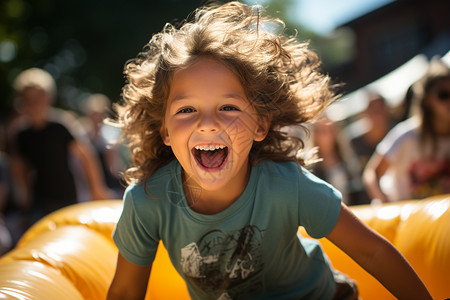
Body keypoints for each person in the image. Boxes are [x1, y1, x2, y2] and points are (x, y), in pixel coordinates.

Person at [107, 2, 432, 299]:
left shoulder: (287, 186)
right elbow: (125, 292)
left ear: (260, 125)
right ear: (164, 130)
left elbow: (372, 252)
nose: (207, 124)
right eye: (186, 110)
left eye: (229, 107)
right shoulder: (148, 202)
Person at [9, 68, 114, 227]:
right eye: (28, 99)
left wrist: (97, 189)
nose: (34, 103)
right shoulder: (21, 134)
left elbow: (86, 155)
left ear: (49, 98)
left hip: (66, 194)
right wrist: (25, 198)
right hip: (40, 199)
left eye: (38, 97)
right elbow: (19, 168)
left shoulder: (61, 126)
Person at [363, 57, 450, 202]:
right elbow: (372, 173)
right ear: (428, 100)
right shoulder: (407, 135)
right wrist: (386, 206)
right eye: (443, 95)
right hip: (403, 217)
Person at [310, 116, 369, 206]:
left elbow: (359, 191)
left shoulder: (348, 162)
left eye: (328, 129)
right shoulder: (311, 170)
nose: (325, 135)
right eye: (320, 130)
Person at [348, 92, 393, 171]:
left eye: (380, 109)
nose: (378, 116)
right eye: (373, 110)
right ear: (365, 113)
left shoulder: (395, 135)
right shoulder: (355, 143)